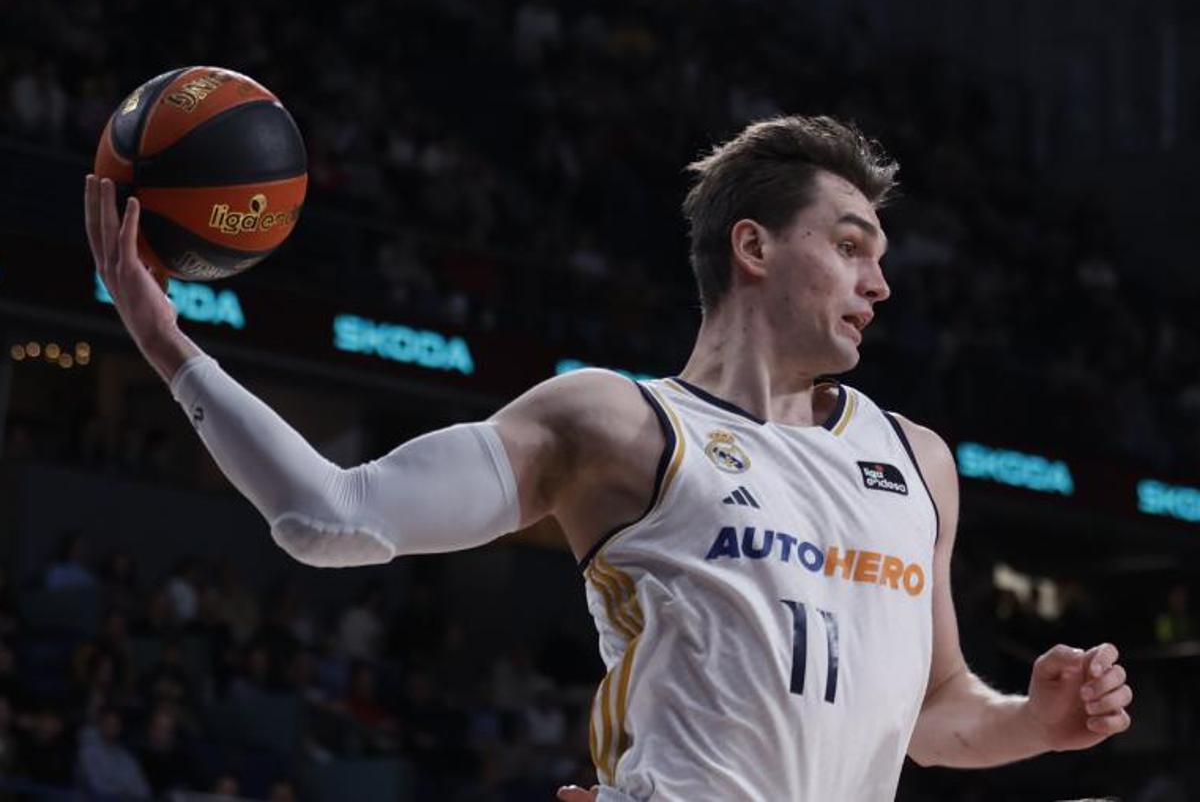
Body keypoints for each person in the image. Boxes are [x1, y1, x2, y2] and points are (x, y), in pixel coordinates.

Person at [83, 114, 1133, 801]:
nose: (881, 282)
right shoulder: (614, 423)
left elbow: (939, 715)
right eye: (852, 244)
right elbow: (334, 519)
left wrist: (1031, 722)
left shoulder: (917, 459)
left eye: (882, 256)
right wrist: (170, 345)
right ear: (754, 247)